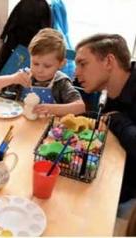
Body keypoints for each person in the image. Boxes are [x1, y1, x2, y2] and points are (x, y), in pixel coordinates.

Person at [75, 33, 136, 203]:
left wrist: (118, 122)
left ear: (109, 61)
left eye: (83, 64)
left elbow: (116, 121)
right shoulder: (108, 92)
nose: (76, 73)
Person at [0, 28, 85, 116]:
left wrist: (52, 109)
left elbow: (80, 107)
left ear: (61, 64)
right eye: (35, 63)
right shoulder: (25, 76)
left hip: (48, 131)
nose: (39, 70)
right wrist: (13, 78)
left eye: (47, 66)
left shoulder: (61, 82)